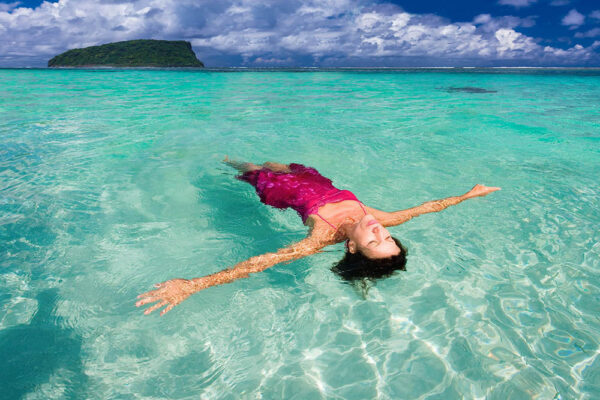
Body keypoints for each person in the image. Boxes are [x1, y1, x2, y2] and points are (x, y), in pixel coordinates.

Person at [136, 157, 500, 316]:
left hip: (282, 192)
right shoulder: (379, 218)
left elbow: (259, 264)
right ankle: (251, 163)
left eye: (374, 241)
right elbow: (428, 207)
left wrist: (194, 285)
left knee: (253, 168)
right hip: (314, 181)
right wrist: (468, 195)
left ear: (352, 246)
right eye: (387, 237)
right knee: (280, 162)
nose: (379, 229)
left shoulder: (320, 238)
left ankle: (227, 160)